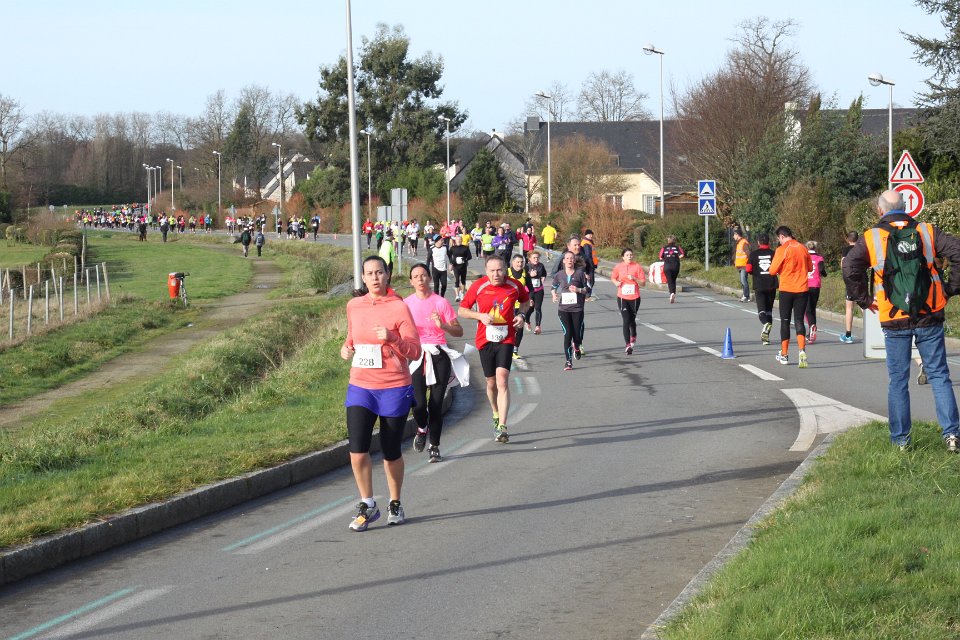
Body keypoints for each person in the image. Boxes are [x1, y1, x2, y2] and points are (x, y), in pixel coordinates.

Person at [843, 189, 960, 451]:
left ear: (880, 210)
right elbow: (958, 251)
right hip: (929, 313)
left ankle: (901, 441)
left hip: (893, 316)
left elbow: (849, 267)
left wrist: (864, 299)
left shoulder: (872, 236)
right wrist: (951, 288)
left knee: (898, 380)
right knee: (939, 375)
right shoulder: (927, 231)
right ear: (906, 207)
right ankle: (952, 435)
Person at [341, 256, 422, 530]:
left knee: (390, 451)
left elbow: (415, 351)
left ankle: (395, 502)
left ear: (387, 275)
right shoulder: (354, 306)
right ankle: (368, 503)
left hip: (393, 386)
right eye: (370, 273)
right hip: (361, 385)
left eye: (379, 272)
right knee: (357, 450)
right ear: (363, 278)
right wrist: (345, 349)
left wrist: (392, 338)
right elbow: (351, 338)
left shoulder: (399, 307)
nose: (375, 278)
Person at [459, 255, 531, 443]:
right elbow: (462, 310)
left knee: (502, 380)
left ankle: (503, 427)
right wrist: (480, 316)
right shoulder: (479, 286)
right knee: (491, 383)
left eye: (499, 270)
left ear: (505, 269)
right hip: (485, 340)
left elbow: (526, 301)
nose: (496, 274)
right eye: (492, 271)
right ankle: (495, 412)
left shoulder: (514, 285)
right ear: (486, 271)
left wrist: (522, 316)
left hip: (506, 338)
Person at [404, 263, 466, 463]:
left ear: (430, 278)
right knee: (419, 404)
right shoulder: (406, 304)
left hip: (439, 354)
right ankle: (422, 428)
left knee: (436, 404)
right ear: (411, 281)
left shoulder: (441, 303)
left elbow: (459, 331)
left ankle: (434, 447)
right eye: (416, 276)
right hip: (417, 355)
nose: (420, 279)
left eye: (423, 275)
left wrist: (443, 325)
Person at [769, 226, 812, 367]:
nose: (779, 241)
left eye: (779, 239)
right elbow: (810, 268)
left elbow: (772, 270)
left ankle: (784, 354)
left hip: (787, 289)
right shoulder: (803, 248)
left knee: (785, 321)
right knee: (799, 320)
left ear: (782, 236)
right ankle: (802, 351)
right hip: (802, 289)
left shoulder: (782, 249)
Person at [551, 250, 589, 371]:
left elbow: (587, 290)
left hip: (577, 309)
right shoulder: (559, 275)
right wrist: (554, 294)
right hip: (563, 309)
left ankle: (576, 346)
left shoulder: (580, 274)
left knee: (577, 335)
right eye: (567, 258)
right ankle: (568, 361)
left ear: (574, 261)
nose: (569, 260)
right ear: (563, 261)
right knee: (567, 334)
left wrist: (578, 290)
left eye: (571, 258)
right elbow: (553, 287)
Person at [610, 248, 647, 354]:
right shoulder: (618, 267)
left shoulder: (637, 267)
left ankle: (633, 334)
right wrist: (616, 283)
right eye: (627, 255)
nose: (629, 256)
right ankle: (628, 345)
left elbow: (643, 283)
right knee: (626, 320)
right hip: (622, 297)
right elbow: (613, 278)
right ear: (623, 257)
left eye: (631, 255)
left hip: (634, 298)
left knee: (631, 320)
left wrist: (634, 278)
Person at [745, 233, 778, 345]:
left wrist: (754, 272)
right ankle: (766, 337)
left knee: (761, 311)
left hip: (759, 284)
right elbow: (778, 268)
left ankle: (765, 324)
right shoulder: (773, 253)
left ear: (758, 242)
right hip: (772, 285)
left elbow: (748, 269)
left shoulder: (754, 254)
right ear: (769, 242)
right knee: (769, 311)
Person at [507, 254, 531, 361]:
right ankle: (507, 348)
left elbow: (531, 289)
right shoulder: (507, 272)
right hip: (508, 306)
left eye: (521, 262)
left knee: (520, 328)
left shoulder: (525, 274)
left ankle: (515, 350)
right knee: (509, 328)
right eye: (517, 262)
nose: (520, 264)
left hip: (521, 306)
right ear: (513, 263)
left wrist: (530, 298)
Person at [804, 241, 827, 342]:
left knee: (807, 309)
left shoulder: (804, 257)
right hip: (816, 286)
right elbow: (821, 269)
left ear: (806, 248)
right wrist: (824, 274)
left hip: (805, 285)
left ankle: (812, 326)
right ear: (815, 248)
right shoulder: (819, 258)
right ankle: (811, 332)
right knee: (812, 308)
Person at [840, 231, 858, 343]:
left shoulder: (846, 250)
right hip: (861, 279)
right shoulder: (862, 249)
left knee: (849, 307)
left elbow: (843, 264)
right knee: (865, 305)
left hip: (850, 280)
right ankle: (877, 330)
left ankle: (848, 335)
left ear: (848, 240)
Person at [526, 250, 548, 334]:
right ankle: (527, 321)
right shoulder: (526, 267)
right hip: (529, 291)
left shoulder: (541, 265)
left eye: (537, 257)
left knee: (538, 308)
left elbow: (544, 273)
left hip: (539, 290)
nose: (536, 259)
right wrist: (530, 275)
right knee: (530, 308)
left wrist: (543, 278)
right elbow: (523, 278)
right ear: (530, 258)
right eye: (534, 258)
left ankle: (537, 327)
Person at [658, 235, 685, 303]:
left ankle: (671, 293)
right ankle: (673, 294)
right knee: (673, 280)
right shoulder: (677, 247)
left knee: (669, 281)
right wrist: (676, 257)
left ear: (668, 240)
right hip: (675, 266)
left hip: (667, 266)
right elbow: (682, 255)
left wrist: (666, 257)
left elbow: (660, 257)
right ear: (674, 241)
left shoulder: (664, 248)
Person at [448, 235, 472, 302]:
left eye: (459, 239)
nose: (458, 241)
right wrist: (451, 263)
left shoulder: (465, 247)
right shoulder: (452, 248)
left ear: (461, 240)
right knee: (457, 280)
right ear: (455, 241)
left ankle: (462, 293)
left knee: (463, 280)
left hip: (463, 266)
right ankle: (457, 295)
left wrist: (465, 259)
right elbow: (449, 256)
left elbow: (469, 256)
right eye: (457, 239)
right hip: (456, 266)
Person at [427, 234, 451, 298]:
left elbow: (450, 256)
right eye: (441, 240)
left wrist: (451, 264)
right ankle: (436, 298)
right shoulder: (432, 248)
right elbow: (428, 260)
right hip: (435, 269)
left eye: (442, 240)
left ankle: (442, 296)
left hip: (443, 269)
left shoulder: (445, 247)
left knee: (444, 285)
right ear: (437, 241)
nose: (443, 241)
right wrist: (427, 270)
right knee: (436, 285)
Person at [580, 229, 599, 299]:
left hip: (588, 264)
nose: (591, 236)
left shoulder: (587, 242)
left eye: (592, 235)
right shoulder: (586, 243)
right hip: (589, 265)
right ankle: (587, 296)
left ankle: (586, 295)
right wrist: (591, 265)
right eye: (590, 234)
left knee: (588, 280)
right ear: (586, 235)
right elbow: (588, 256)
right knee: (590, 281)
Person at [733, 229, 751, 302]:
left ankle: (746, 296)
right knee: (742, 281)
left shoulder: (743, 242)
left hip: (744, 265)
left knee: (743, 280)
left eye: (734, 235)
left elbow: (748, 253)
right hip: (740, 265)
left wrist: (749, 263)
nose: (733, 236)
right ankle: (745, 295)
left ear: (737, 235)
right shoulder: (739, 243)